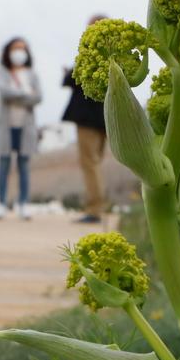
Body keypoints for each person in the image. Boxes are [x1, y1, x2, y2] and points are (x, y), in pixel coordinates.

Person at [60, 14, 109, 223]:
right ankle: (97, 207)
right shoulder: (114, 53)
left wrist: (68, 73)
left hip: (88, 118)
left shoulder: (90, 51)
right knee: (95, 162)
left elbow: (73, 79)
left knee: (90, 164)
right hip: (106, 118)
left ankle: (94, 209)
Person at [0, 37, 43, 220]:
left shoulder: (32, 74)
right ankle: (1, 203)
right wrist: (25, 94)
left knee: (24, 166)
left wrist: (17, 96)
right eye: (16, 48)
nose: (19, 52)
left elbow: (38, 97)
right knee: (3, 165)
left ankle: (23, 204)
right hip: (6, 127)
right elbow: (4, 93)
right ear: (8, 51)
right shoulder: (3, 72)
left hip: (25, 127)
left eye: (23, 48)